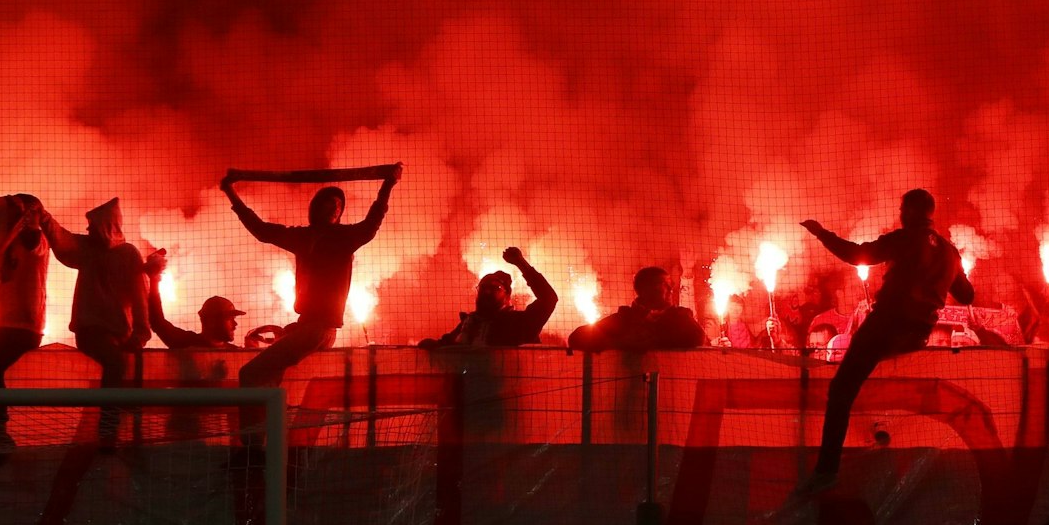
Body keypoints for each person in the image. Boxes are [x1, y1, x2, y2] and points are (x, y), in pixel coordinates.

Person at [798, 188, 973, 492]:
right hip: (918, 335)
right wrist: (948, 270)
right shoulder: (949, 251)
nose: (900, 214)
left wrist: (821, 233)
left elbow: (857, 255)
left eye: (902, 209)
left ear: (909, 211)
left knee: (841, 390)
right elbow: (967, 295)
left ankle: (826, 471)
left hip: (886, 325)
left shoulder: (906, 238)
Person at [222, 164, 402, 440]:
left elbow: (373, 221)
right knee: (268, 378)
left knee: (250, 374)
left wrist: (388, 185)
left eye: (336, 206)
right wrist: (232, 195)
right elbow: (261, 230)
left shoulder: (345, 238)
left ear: (340, 214)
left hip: (319, 329)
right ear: (314, 209)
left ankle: (252, 446)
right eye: (326, 204)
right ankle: (265, 441)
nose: (331, 209)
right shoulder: (302, 237)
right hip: (307, 327)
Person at [42, 198, 151, 444]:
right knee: (115, 364)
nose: (89, 230)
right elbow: (63, 239)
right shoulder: (87, 249)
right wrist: (45, 218)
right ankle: (108, 430)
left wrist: (141, 333)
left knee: (119, 366)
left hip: (119, 334)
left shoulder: (128, 254)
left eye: (93, 225)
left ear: (107, 226)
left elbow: (139, 295)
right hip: (91, 332)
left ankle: (114, 428)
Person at [0, 196, 55, 448]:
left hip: (23, 325)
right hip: (7, 322)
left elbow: (31, 237)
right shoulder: (8, 241)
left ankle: (0, 428)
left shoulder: (34, 239)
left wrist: (28, 218)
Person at [419, 246, 559, 348]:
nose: (486, 292)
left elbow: (548, 299)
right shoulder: (469, 322)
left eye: (494, 288)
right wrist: (431, 345)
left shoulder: (520, 323)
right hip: (469, 386)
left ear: (507, 294)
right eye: (483, 288)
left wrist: (521, 263)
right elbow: (447, 344)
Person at [568, 265, 705, 352]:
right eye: (664, 284)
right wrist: (620, 343)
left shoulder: (679, 316)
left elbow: (696, 337)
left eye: (671, 284)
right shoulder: (625, 319)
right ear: (645, 288)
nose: (670, 289)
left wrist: (652, 341)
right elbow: (577, 338)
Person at [144, 251, 246, 350]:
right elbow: (157, 322)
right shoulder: (186, 342)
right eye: (229, 318)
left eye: (234, 318)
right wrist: (154, 279)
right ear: (211, 321)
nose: (235, 324)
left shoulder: (236, 353)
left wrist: (253, 351)